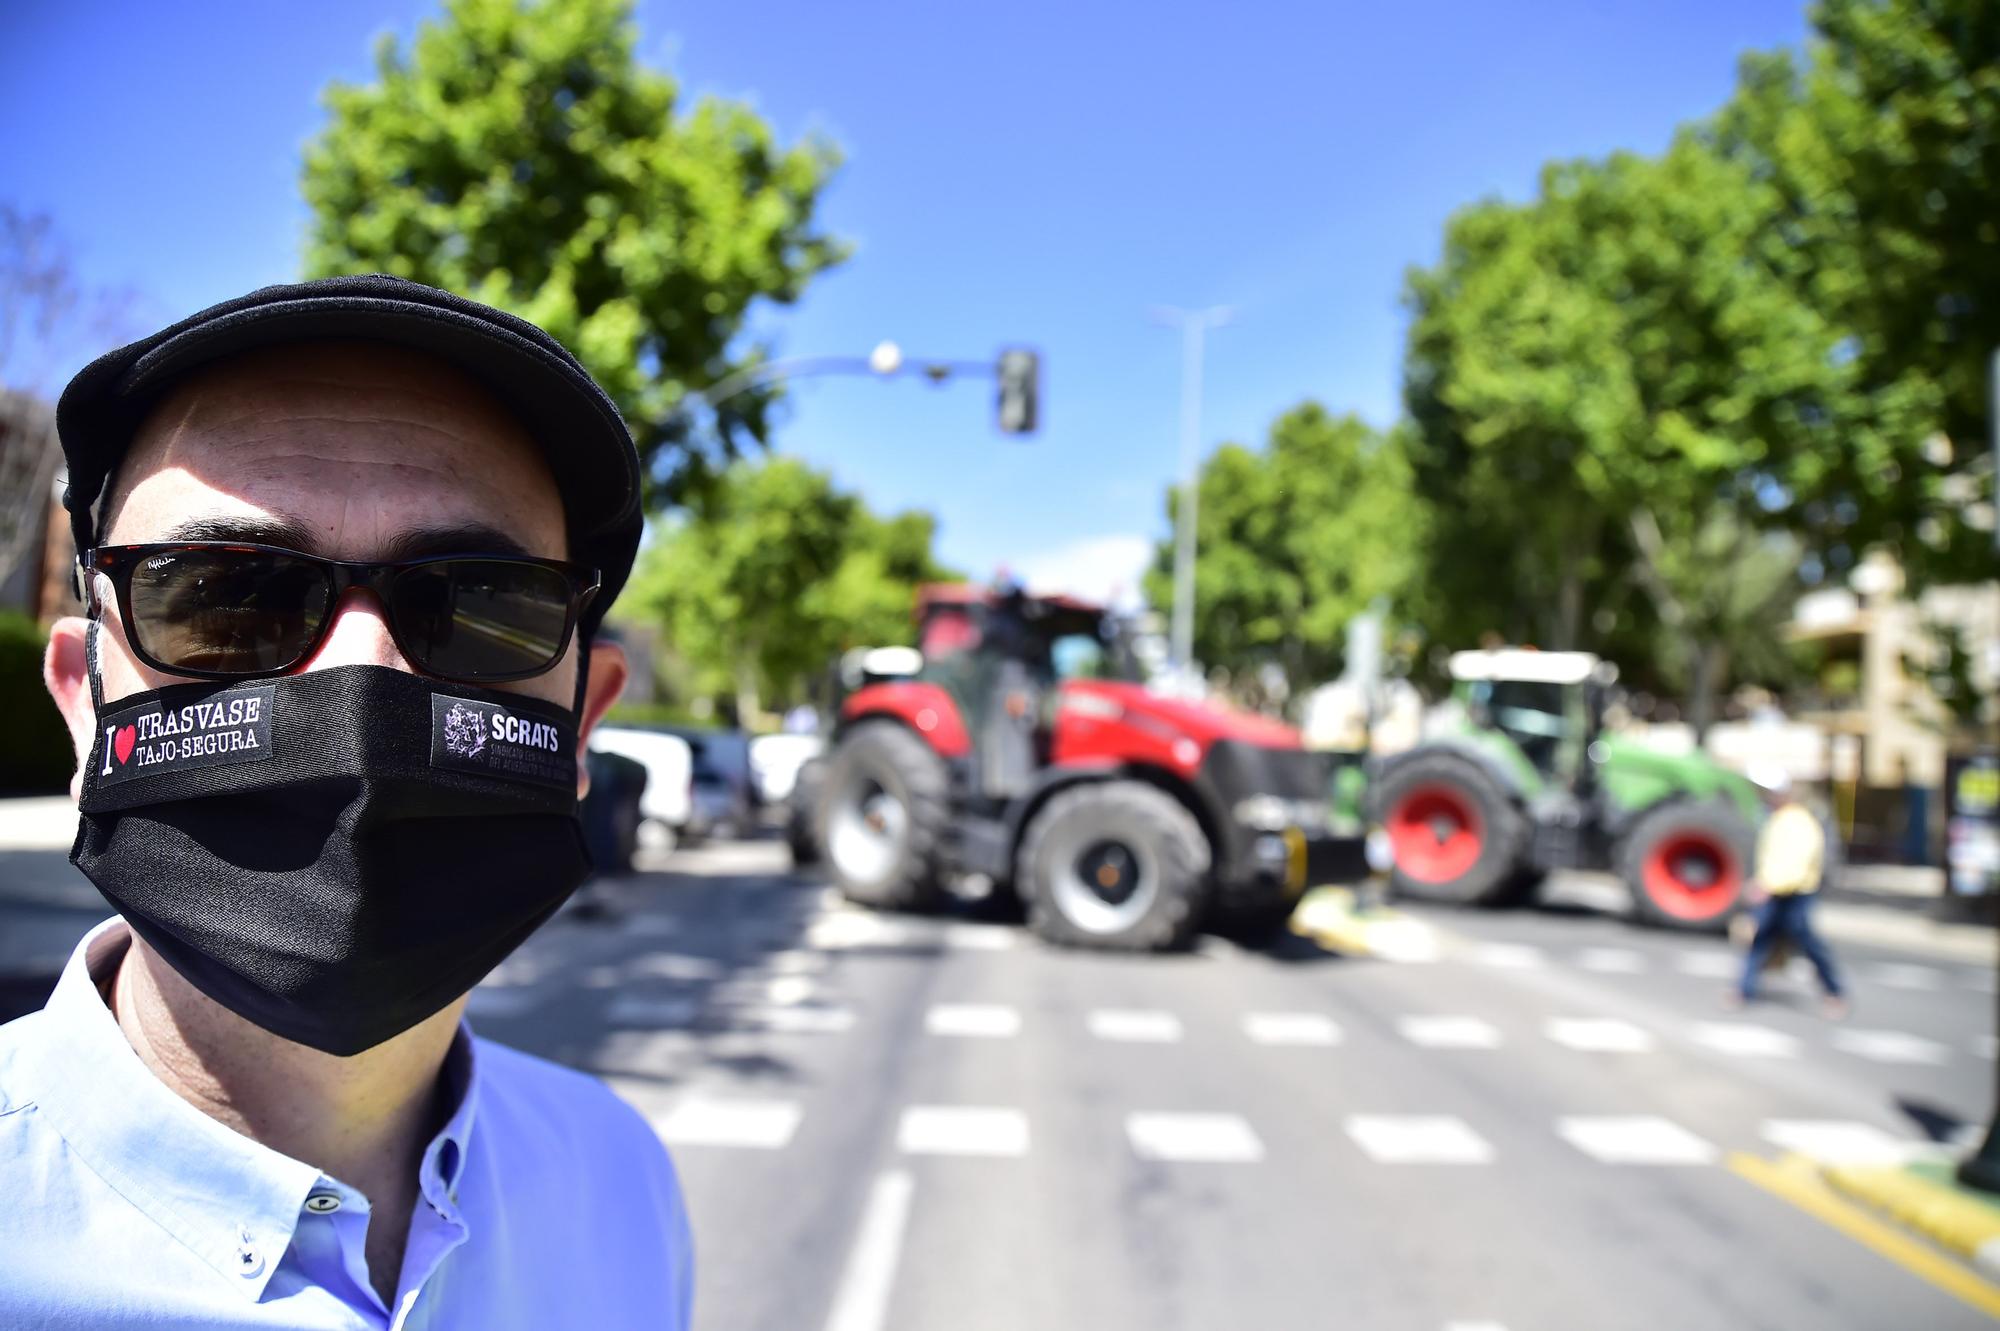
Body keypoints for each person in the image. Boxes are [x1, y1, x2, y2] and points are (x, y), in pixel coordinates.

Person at [0, 276, 693, 1327]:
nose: (363, 675)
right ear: (82, 705)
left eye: (475, 606)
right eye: (228, 593)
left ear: (582, 725)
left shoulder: (621, 1183)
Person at [1731, 762, 1847, 1018]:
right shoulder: (1777, 820)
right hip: (1775, 891)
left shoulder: (1797, 821)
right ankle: (1743, 991)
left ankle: (1835, 991)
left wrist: (1766, 886)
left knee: (1808, 942)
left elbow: (1796, 863)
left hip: (1796, 894)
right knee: (1760, 940)